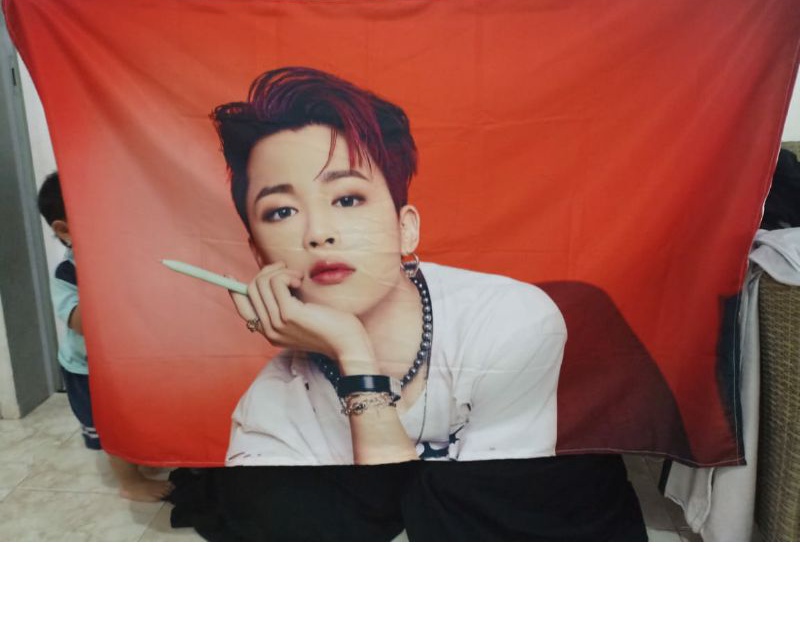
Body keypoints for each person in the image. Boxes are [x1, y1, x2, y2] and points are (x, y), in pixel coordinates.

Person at [169, 67, 647, 540]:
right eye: (282, 211)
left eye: (347, 199)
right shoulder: (270, 414)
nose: (318, 233)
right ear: (259, 256)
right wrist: (352, 351)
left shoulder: (510, 320)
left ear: (405, 228)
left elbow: (487, 535)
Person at [38, 172, 173, 502]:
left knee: (132, 417)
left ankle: (138, 455)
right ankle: (129, 481)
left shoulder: (123, 257)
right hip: (88, 370)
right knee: (107, 426)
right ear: (65, 230)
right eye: (98, 217)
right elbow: (80, 322)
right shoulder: (67, 273)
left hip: (125, 363)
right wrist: (103, 276)